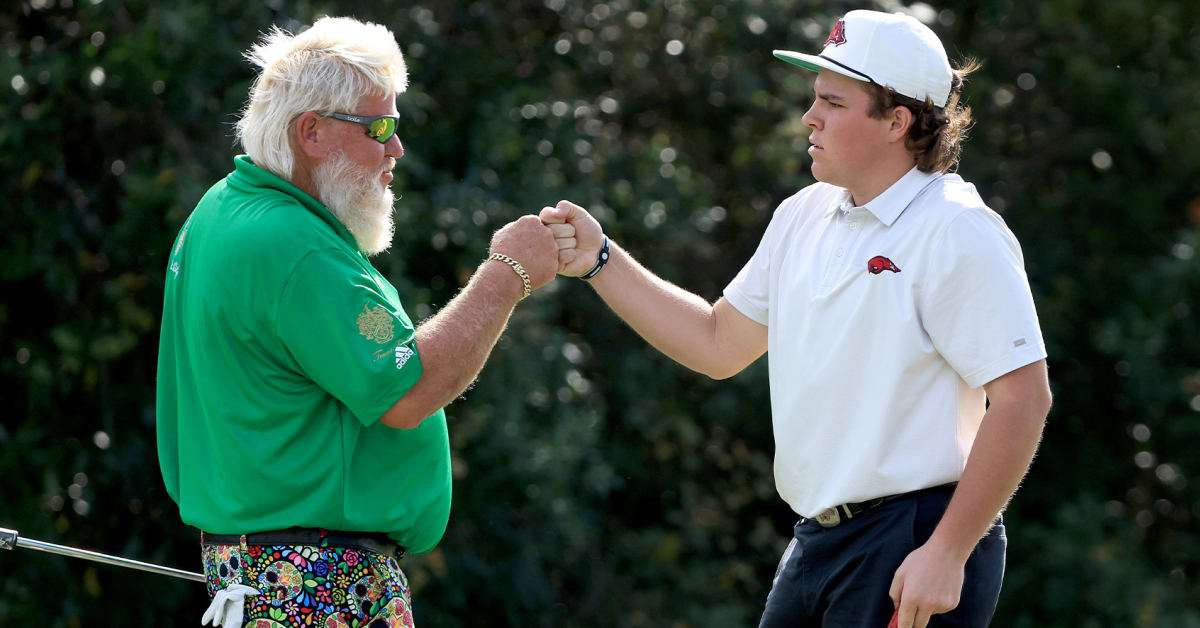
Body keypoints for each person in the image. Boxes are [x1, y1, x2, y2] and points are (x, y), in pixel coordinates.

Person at [541, 9, 1051, 628]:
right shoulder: (802, 214)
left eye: (833, 104)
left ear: (898, 121)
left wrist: (948, 551)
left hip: (913, 543)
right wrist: (600, 260)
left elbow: (1024, 399)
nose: (810, 118)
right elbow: (717, 343)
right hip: (816, 543)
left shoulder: (957, 229)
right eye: (815, 100)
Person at [155, 16, 559, 628]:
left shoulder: (219, 210)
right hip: (320, 583)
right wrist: (507, 274)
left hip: (251, 575)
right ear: (311, 131)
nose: (396, 148)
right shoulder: (299, 248)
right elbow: (408, 391)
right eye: (379, 127)